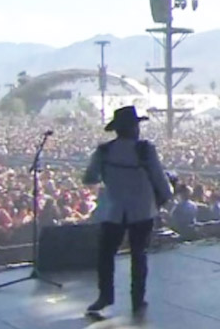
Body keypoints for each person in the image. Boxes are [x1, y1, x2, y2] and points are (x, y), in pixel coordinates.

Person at [83, 106, 173, 316]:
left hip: (112, 210)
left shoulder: (104, 151)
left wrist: (110, 175)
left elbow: (89, 178)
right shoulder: (145, 149)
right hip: (142, 210)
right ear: (133, 127)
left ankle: (105, 296)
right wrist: (166, 195)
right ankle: (137, 299)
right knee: (138, 254)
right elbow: (159, 179)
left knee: (106, 255)